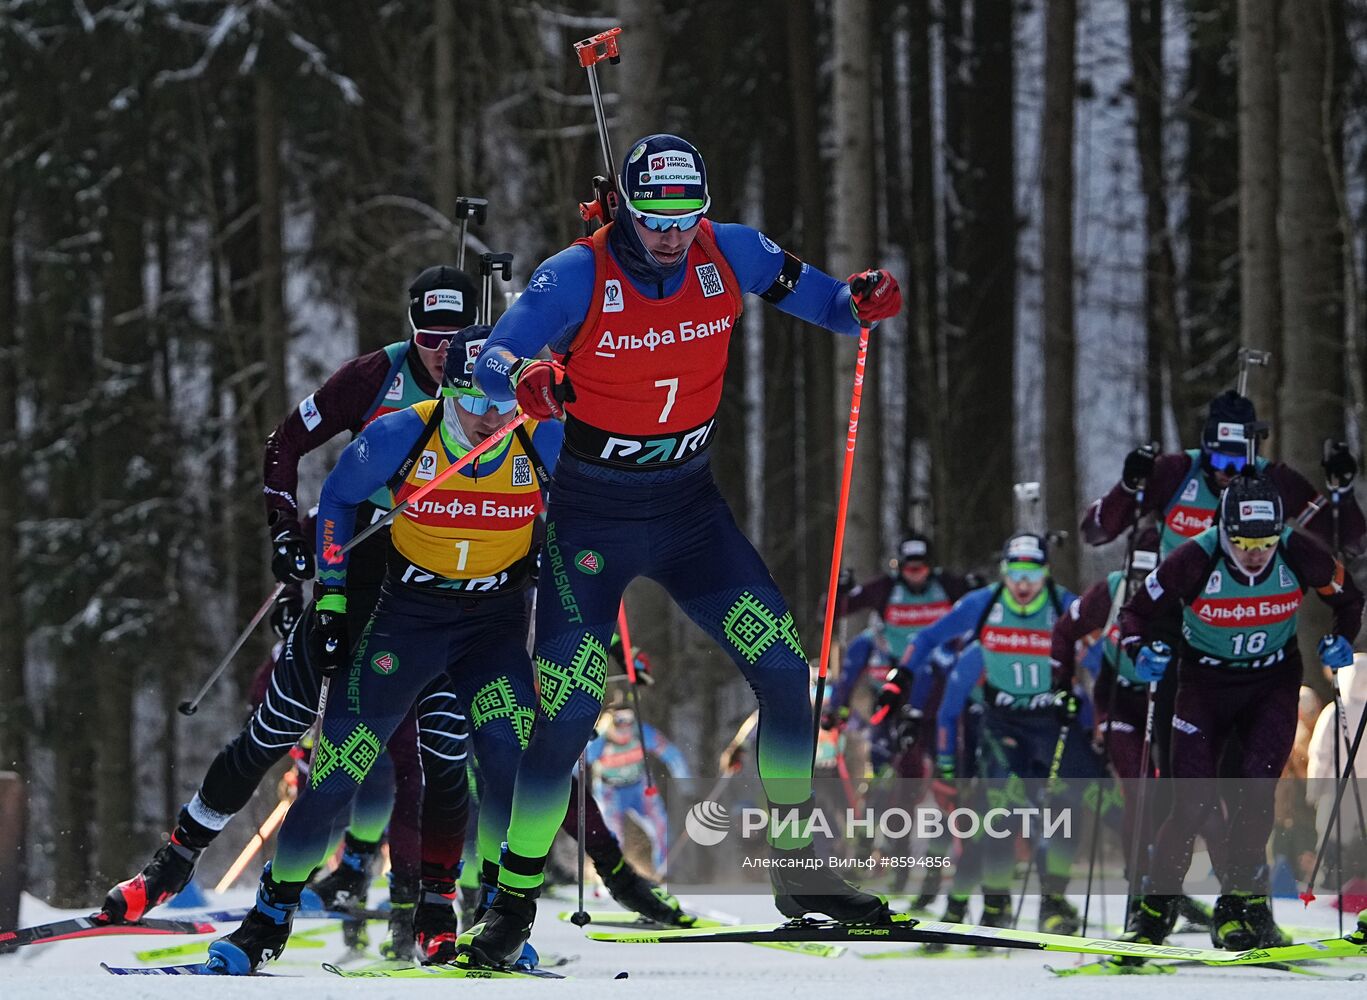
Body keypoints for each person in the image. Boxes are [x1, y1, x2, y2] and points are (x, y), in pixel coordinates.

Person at [458, 132, 903, 968]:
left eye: (684, 214)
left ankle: (802, 870)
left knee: (782, 671)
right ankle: (509, 906)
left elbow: (831, 305)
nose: (670, 232)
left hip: (690, 512)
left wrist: (863, 299)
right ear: (625, 204)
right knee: (569, 713)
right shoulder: (577, 273)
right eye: (654, 215)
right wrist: (524, 380)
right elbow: (489, 360)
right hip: (590, 518)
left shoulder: (729, 252)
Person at [204, 325, 562, 974]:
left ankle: (499, 916)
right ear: (448, 388)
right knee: (337, 773)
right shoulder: (403, 432)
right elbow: (337, 500)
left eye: (502, 405)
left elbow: (590, 512)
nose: (488, 419)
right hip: (410, 618)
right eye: (474, 401)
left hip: (493, 624)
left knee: (508, 763)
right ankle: (268, 918)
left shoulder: (540, 437)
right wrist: (334, 599)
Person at [1118, 471, 1363, 951]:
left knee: (1256, 793)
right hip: (1204, 684)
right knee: (1191, 801)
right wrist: (1139, 650)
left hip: (1271, 683)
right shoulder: (1193, 557)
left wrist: (1340, 640)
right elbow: (1134, 612)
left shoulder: (1300, 552)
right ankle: (1156, 907)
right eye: (1243, 541)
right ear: (1223, 530)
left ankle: (1240, 907)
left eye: (1266, 541)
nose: (1255, 552)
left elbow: (1349, 599)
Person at [882, 533, 1094, 934]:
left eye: (1032, 573)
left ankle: (1051, 902)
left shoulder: (1061, 604)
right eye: (1016, 573)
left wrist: (1098, 704)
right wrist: (902, 678)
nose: (1024, 584)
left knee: (1066, 807)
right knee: (992, 816)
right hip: (997, 727)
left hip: (1049, 724)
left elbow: (1101, 654)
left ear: (1045, 572)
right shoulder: (979, 625)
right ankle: (981, 906)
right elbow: (933, 662)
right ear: (1004, 574)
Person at [586, 703, 691, 875]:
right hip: (610, 791)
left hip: (639, 787)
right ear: (609, 720)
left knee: (661, 826)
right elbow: (578, 765)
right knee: (612, 835)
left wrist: (686, 786)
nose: (625, 726)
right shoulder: (600, 739)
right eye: (619, 720)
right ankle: (613, 874)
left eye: (629, 719)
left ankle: (664, 873)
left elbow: (672, 755)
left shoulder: (642, 732)